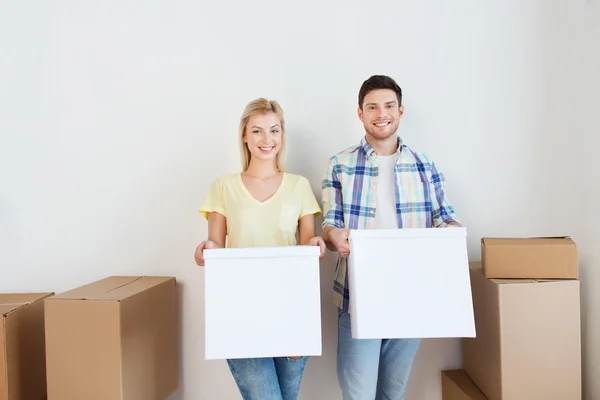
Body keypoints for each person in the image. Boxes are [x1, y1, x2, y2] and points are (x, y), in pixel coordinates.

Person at [321, 75, 461, 400]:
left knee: (393, 394)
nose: (380, 113)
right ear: (360, 114)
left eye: (388, 106)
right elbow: (330, 226)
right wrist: (334, 236)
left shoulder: (424, 165)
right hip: (357, 296)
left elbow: (445, 218)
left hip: (410, 295)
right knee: (359, 394)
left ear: (400, 111)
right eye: (372, 107)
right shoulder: (339, 164)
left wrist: (452, 233)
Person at [194, 98, 326, 400]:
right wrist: (206, 249)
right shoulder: (224, 186)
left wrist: (316, 244)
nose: (267, 140)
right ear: (244, 135)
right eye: (257, 131)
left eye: (274, 130)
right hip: (240, 308)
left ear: (282, 136)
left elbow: (308, 242)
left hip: (291, 307)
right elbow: (215, 243)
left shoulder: (299, 185)